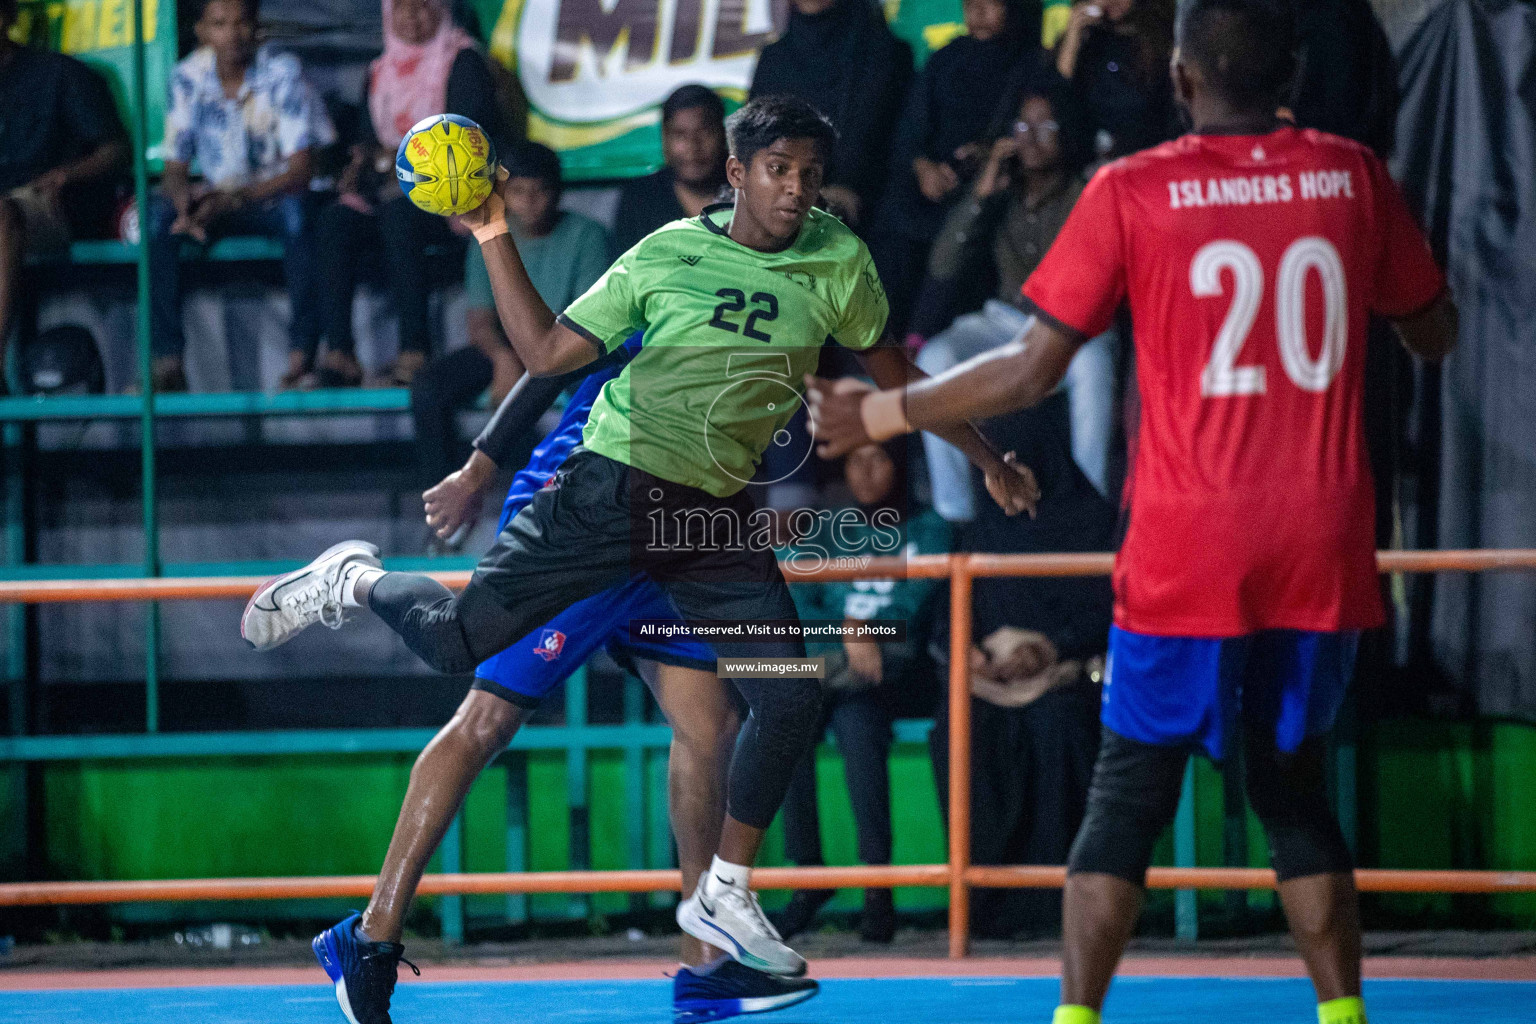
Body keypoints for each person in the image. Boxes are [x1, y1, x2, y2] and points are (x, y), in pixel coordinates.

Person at [242, 95, 1038, 1022]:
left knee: (743, 711)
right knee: (477, 695)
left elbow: (901, 381)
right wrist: (483, 453)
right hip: (605, 505)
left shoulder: (836, 261)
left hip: (707, 530)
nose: (795, 188)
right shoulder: (664, 258)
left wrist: (990, 461)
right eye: (778, 169)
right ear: (737, 175)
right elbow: (549, 359)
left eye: (810, 174)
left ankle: (713, 945)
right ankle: (356, 605)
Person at [806, 0, 1457, 1020]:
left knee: (1127, 797)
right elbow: (1433, 331)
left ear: (1182, 82)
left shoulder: (1133, 187)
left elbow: (1028, 370)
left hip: (1189, 541)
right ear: (1290, 73)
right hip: (1324, 539)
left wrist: (880, 406)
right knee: (1293, 790)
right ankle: (1344, 1014)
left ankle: (1077, 1016)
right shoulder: (1355, 177)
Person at [387, 340, 824, 1022]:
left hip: (674, 538)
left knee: (711, 728)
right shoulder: (659, 276)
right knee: (487, 720)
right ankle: (372, 937)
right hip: (582, 522)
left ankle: (703, 966)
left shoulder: (792, 307)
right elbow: (547, 358)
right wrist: (478, 469)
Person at [927, 393, 1110, 938]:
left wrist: (1052, 648)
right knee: (955, 730)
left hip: (1068, 676)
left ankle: (1057, 900)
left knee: (1060, 725)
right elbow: (947, 618)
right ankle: (984, 902)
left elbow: (1111, 610)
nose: (1009, 479)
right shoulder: (983, 527)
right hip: (996, 683)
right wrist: (971, 653)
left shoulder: (1087, 520)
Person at [774, 439, 950, 944]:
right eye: (857, 459)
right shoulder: (829, 529)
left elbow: (915, 609)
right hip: (835, 668)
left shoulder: (929, 528)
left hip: (900, 673)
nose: (867, 470)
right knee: (787, 722)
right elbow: (793, 595)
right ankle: (809, 875)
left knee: (859, 726)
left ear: (901, 464)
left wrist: (870, 632)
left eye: (879, 458)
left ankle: (878, 884)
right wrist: (849, 629)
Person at [913, 80, 1117, 516]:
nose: (1032, 136)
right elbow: (944, 265)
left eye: (1047, 126)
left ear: (1068, 132)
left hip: (1073, 330)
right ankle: (956, 516)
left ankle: (1090, 510)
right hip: (1004, 323)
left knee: (1095, 365)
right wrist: (982, 194)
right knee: (935, 358)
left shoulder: (1088, 190)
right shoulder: (999, 191)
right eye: (1023, 125)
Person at [310, 0, 513, 388]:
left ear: (441, 10)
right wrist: (362, 163)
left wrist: (396, 161)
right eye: (402, 7)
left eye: (423, 6)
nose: (412, 17)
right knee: (335, 222)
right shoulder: (380, 70)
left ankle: (414, 350)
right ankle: (340, 354)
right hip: (392, 194)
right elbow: (369, 143)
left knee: (399, 216)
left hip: (455, 199)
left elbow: (469, 140)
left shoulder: (462, 61)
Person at [409, 141, 609, 526]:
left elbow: (585, 322)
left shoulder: (588, 236)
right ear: (505, 194)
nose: (531, 201)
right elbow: (480, 320)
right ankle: (440, 512)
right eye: (519, 191)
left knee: (573, 396)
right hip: (508, 348)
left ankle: (541, 514)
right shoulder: (489, 234)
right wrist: (504, 358)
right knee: (428, 388)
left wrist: (531, 359)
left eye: (541, 190)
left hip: (571, 351)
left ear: (558, 193)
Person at [150, 0, 335, 392]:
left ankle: (302, 357)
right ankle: (167, 363)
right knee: (156, 221)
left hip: (273, 196)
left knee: (299, 216)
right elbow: (174, 166)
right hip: (218, 200)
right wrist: (184, 201)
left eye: (241, 23)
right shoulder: (186, 76)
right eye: (219, 24)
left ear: (256, 27)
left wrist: (233, 199)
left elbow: (300, 169)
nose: (232, 35)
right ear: (201, 31)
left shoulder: (282, 72)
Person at [870, 0, 1050, 334]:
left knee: (968, 232)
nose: (977, 12)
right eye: (969, 4)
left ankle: (927, 340)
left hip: (990, 188)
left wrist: (989, 155)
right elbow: (911, 128)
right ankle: (882, 346)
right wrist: (924, 167)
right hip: (930, 185)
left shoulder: (1031, 64)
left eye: (989, 4)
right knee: (893, 226)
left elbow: (1038, 135)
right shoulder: (948, 58)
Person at [0, 0, 126, 359]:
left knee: (2, 215)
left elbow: (115, 151)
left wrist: (67, 174)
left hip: (43, 204)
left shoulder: (57, 73)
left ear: (6, 19)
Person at [749, 0, 912, 230]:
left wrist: (843, 188)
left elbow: (893, 141)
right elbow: (756, 143)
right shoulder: (774, 60)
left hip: (872, 215)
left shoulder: (886, 54)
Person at [1054, 0, 1177, 160]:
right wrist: (1073, 34)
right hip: (1088, 160)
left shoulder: (1160, 40)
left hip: (1146, 157)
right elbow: (1058, 97)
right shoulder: (1087, 39)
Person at [613, 85, 729, 253]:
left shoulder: (747, 192)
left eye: (704, 132)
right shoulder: (641, 199)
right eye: (680, 135)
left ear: (723, 135)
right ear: (664, 139)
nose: (692, 147)